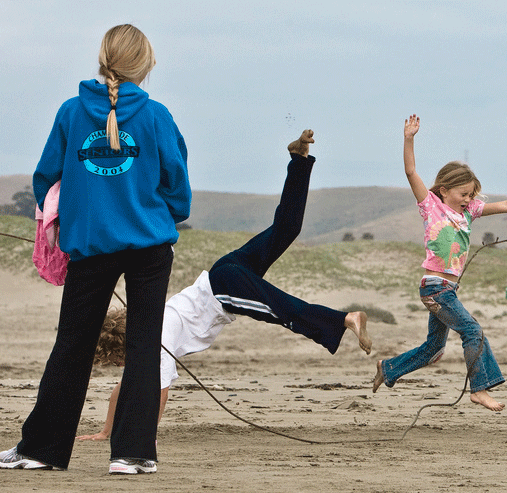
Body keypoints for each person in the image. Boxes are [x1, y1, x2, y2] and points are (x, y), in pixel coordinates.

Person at [76, 130, 372, 441]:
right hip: (223, 271)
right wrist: (106, 432)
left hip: (223, 289)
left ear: (119, 351)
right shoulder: (146, 322)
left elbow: (159, 393)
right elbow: (120, 390)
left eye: (117, 361)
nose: (123, 366)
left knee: (281, 310)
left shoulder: (153, 345)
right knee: (284, 230)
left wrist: (142, 436)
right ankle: (298, 161)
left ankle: (344, 319)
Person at [0, 25, 191, 474]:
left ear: (103, 58)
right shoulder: (156, 115)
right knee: (145, 347)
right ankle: (132, 454)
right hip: (149, 245)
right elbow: (177, 187)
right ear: (145, 65)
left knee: (72, 345)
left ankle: (41, 450)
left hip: (92, 246)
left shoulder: (71, 112)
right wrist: (153, 212)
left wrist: (79, 212)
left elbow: (45, 179)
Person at [372, 114, 507, 411]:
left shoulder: (469, 212)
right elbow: (411, 172)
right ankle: (479, 389)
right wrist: (409, 139)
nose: (468, 198)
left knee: (435, 349)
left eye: (471, 195)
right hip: (435, 287)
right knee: (473, 331)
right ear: (444, 190)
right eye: (463, 194)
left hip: (447, 289)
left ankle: (389, 368)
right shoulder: (431, 206)